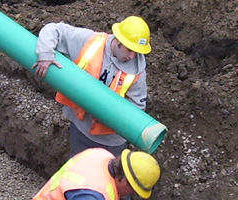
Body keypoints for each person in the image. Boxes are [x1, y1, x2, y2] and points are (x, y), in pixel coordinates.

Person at [32, 16, 153, 158]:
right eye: (130, 50)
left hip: (112, 141)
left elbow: (137, 110)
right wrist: (45, 55)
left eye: (137, 52)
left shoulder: (137, 72)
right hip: (80, 129)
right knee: (78, 173)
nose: (133, 56)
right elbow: (54, 29)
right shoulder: (92, 42)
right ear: (118, 40)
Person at [33, 148, 161, 200]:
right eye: (132, 190)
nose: (130, 194)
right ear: (123, 179)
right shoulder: (92, 195)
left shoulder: (100, 154)